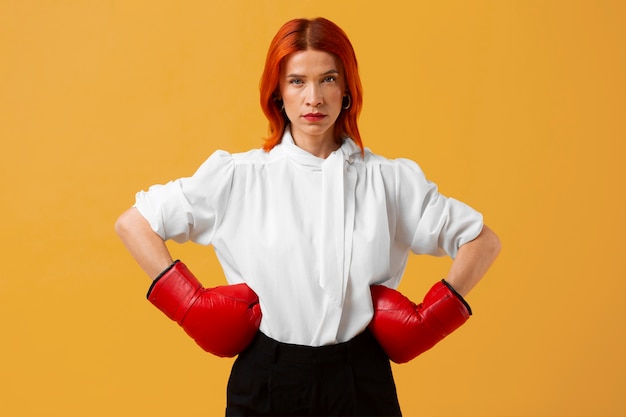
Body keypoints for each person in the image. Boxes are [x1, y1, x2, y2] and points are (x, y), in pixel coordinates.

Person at [115, 17, 500, 417]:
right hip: (266, 380)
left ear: (348, 88)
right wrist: (189, 305)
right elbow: (134, 223)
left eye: (328, 79)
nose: (313, 97)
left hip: (360, 380)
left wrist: (431, 320)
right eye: (297, 81)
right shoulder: (239, 177)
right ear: (278, 92)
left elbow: (481, 241)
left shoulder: (388, 180)